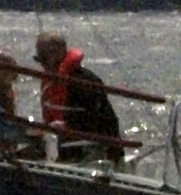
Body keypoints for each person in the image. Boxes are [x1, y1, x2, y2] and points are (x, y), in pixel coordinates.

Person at [35, 31, 123, 164]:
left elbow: (102, 120)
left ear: (60, 53)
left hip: (90, 148)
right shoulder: (50, 83)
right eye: (39, 59)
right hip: (64, 147)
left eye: (45, 58)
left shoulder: (83, 80)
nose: (42, 64)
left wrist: (68, 125)